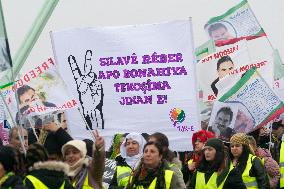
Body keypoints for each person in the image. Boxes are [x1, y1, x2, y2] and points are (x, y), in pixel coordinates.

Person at [271, 120, 284, 188]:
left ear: (280, 128)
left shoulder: (282, 140)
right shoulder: (278, 140)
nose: (274, 135)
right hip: (280, 173)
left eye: (275, 133)